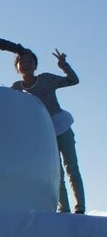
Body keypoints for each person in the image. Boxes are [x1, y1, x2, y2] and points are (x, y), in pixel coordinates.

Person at [12, 48, 85, 214]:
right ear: (17, 67)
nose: (26, 64)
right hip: (43, 133)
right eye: (22, 61)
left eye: (30, 61)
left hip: (62, 126)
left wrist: (64, 66)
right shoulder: (16, 88)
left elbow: (73, 81)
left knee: (72, 168)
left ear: (35, 65)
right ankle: (63, 209)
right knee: (55, 173)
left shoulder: (45, 79)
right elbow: (10, 107)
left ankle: (80, 208)